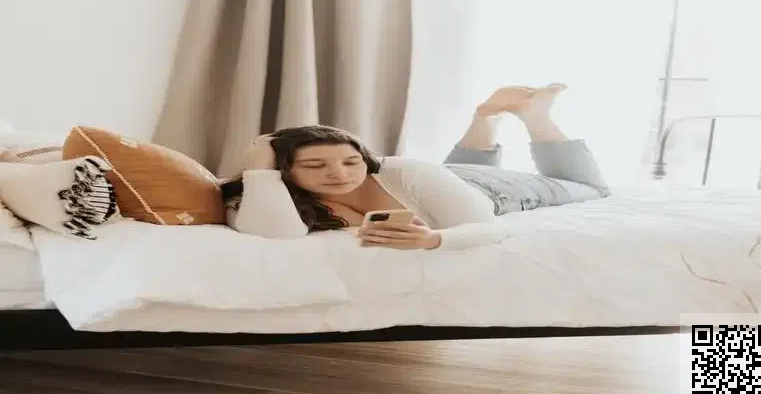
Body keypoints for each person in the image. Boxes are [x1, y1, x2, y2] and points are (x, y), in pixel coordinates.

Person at [222, 84, 610, 251]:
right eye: (315, 165)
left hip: (487, 191)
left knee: (592, 189)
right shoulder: (265, 192)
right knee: (447, 177)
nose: (339, 174)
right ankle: (486, 119)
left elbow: (488, 228)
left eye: (351, 161)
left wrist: (434, 240)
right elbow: (277, 233)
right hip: (444, 182)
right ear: (284, 171)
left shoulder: (406, 171)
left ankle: (535, 115)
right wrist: (260, 170)